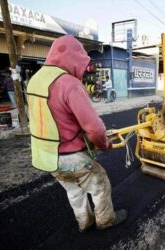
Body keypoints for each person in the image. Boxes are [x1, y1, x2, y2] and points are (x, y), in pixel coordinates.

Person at [26, 35, 127, 232]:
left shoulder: (34, 81)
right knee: (99, 183)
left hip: (47, 156)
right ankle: (105, 221)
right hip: (72, 156)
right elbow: (95, 129)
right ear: (72, 59)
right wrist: (105, 144)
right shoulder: (69, 84)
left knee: (73, 190)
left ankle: (84, 222)